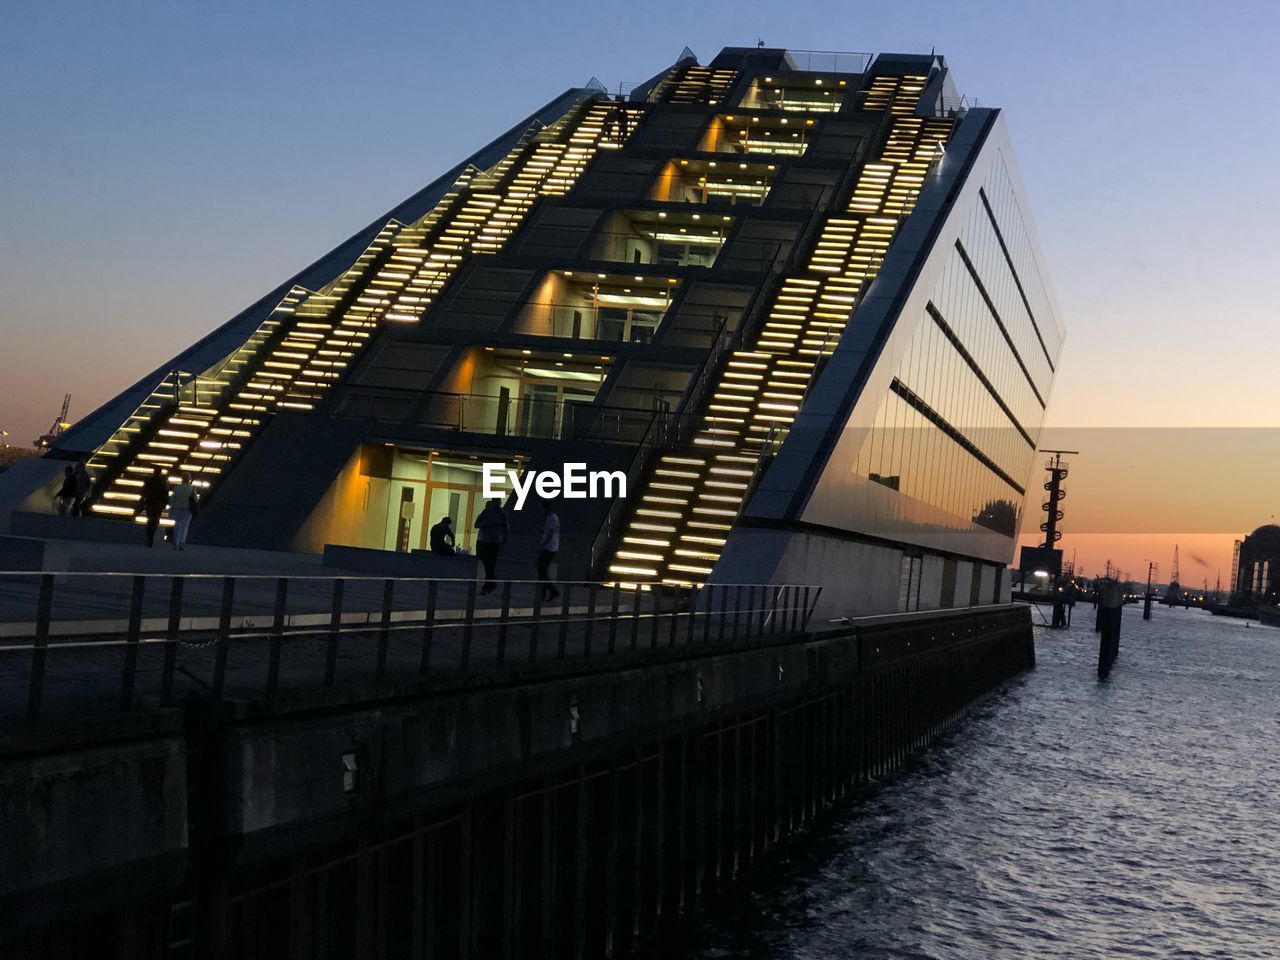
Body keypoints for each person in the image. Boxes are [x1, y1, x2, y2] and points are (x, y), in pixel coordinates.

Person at [473, 498, 509, 594]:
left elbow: (505, 526)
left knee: (489, 564)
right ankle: (490, 583)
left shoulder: (498, 513)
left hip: (490, 541)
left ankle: (489, 584)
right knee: (489, 564)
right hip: (490, 541)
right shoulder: (490, 512)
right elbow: (477, 524)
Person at [140, 467, 170, 547]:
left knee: (150, 519)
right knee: (155, 520)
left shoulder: (149, 480)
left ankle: (149, 536)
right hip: (158, 504)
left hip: (149, 503)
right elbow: (165, 493)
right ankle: (151, 536)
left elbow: (143, 491)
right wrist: (165, 502)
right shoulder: (163, 481)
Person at [537, 501, 560, 602]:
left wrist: (543, 544)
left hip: (549, 548)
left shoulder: (551, 518)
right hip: (550, 547)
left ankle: (552, 591)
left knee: (541, 570)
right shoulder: (553, 517)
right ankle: (544, 594)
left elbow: (550, 533)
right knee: (543, 570)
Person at [170, 473, 199, 550]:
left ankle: (175, 542)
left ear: (182, 479)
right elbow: (196, 499)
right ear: (189, 479)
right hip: (187, 508)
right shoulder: (192, 488)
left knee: (177, 525)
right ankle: (181, 542)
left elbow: (172, 499)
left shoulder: (177, 488)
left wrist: (171, 509)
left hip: (177, 508)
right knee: (184, 525)